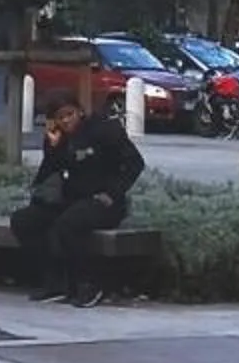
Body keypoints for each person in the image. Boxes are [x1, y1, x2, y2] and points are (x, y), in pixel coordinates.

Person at [9, 94, 145, 307]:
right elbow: (48, 173)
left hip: (104, 202)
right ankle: (55, 282)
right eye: (60, 117)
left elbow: (135, 163)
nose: (66, 121)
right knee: (24, 220)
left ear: (79, 111)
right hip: (70, 199)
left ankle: (89, 283)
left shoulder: (104, 130)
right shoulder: (60, 138)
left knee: (68, 225)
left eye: (69, 114)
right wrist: (53, 148)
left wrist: (112, 193)